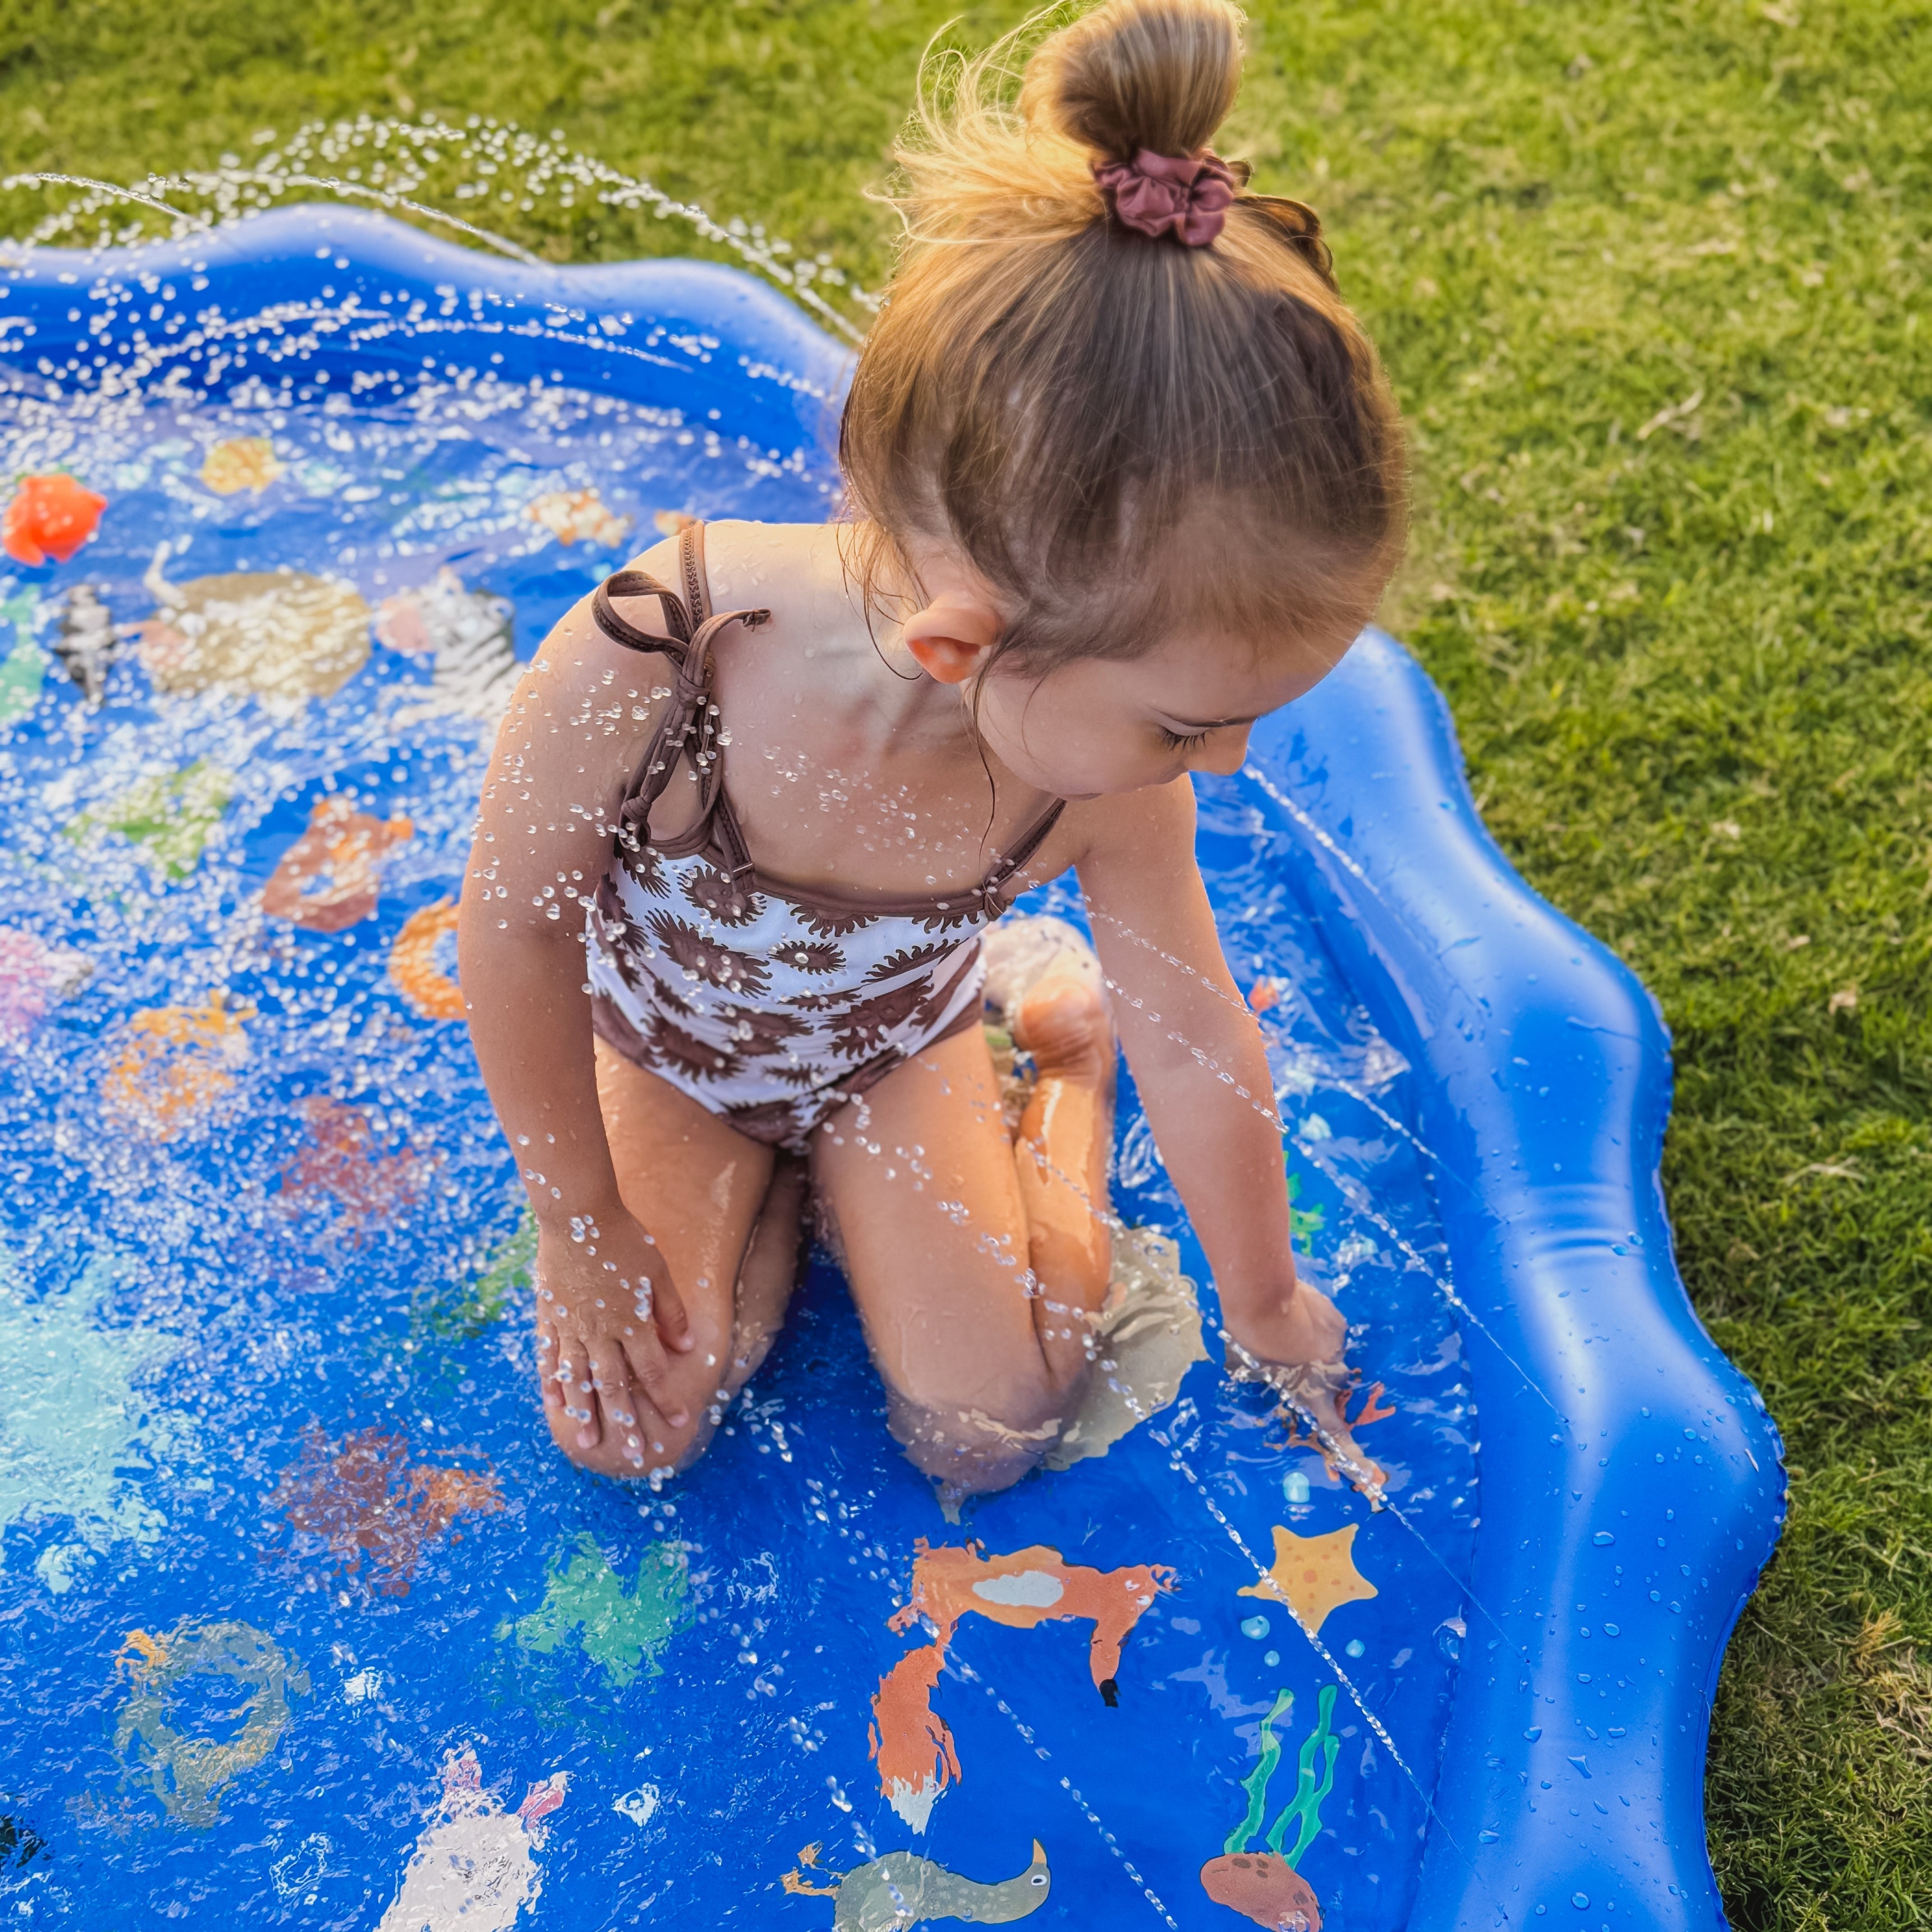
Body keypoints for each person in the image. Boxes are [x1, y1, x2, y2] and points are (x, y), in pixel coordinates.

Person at [457, 0, 1405, 1500]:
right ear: (965, 647)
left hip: (892, 1054)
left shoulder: (1097, 776)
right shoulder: (657, 649)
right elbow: (507, 930)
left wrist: (1267, 1298)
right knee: (632, 1428)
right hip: (670, 1056)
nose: (1220, 764)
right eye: (1185, 719)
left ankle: (1051, 1072)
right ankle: (761, 1197)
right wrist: (584, 1216)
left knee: (995, 1426)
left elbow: (1198, 1025)